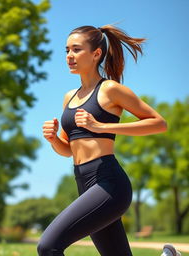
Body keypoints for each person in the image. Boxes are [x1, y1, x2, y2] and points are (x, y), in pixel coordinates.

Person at [39, 25, 181, 256]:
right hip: (83, 182)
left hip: (108, 184)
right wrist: (53, 139)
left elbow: (159, 123)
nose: (69, 56)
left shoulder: (110, 89)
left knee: (48, 246)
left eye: (76, 50)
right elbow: (68, 151)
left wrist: (101, 126)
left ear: (96, 53)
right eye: (67, 50)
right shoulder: (69, 97)